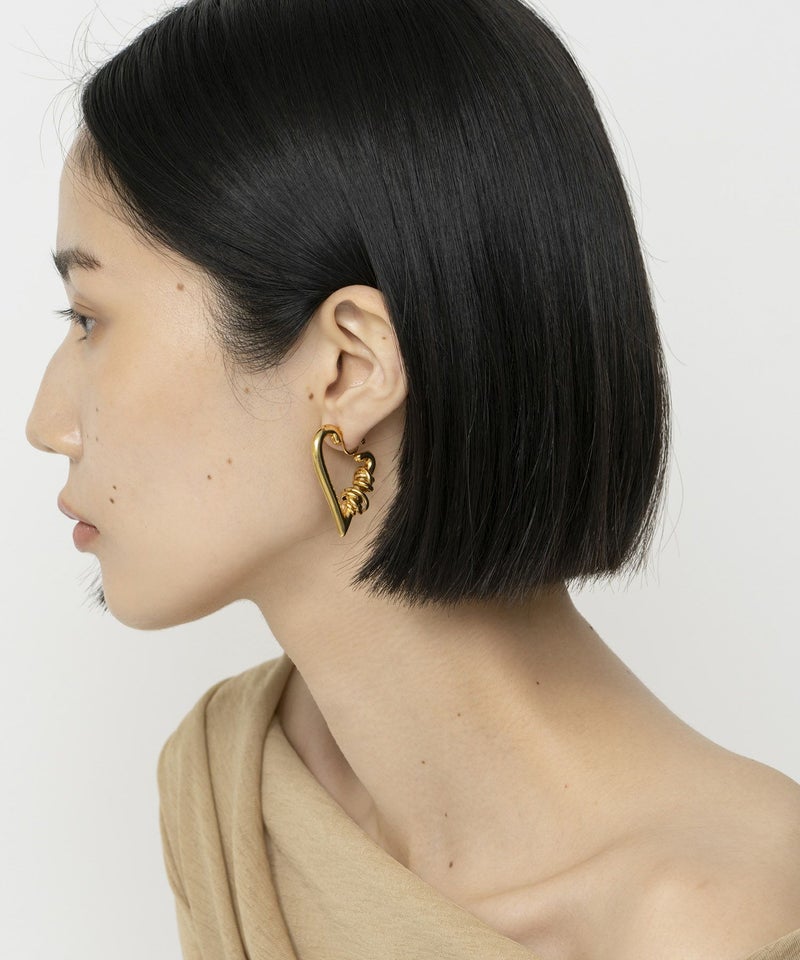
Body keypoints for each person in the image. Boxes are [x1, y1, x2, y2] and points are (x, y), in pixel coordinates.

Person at [25, 0, 800, 957]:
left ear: (350, 370)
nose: (46, 425)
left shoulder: (724, 922)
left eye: (89, 319)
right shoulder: (234, 790)